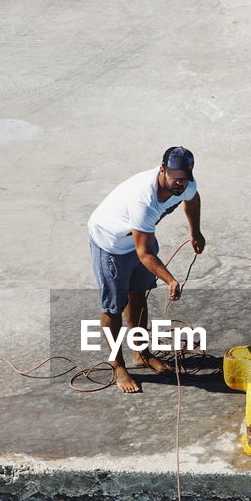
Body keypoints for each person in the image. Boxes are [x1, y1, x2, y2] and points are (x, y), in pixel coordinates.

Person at [87, 146, 206, 393]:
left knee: (138, 293)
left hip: (139, 237)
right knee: (113, 306)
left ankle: (141, 354)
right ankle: (117, 365)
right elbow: (145, 254)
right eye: (175, 178)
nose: (180, 184)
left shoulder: (185, 183)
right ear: (162, 170)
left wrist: (195, 232)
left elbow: (192, 200)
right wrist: (171, 281)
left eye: (185, 179)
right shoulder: (143, 199)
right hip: (111, 242)